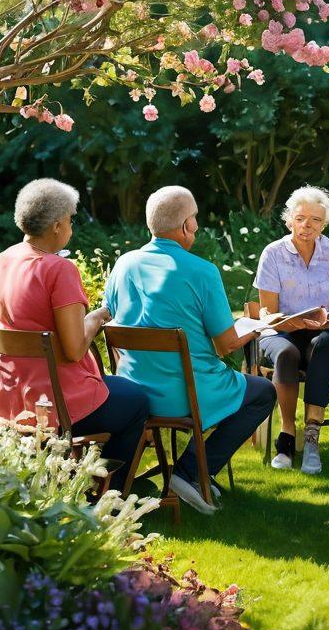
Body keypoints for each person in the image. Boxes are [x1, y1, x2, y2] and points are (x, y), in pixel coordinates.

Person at [105, 186, 277, 513]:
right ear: (186, 225)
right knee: (263, 392)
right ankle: (191, 470)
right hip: (187, 393)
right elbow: (225, 345)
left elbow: (114, 319)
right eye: (195, 218)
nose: (197, 226)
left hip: (133, 391)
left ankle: (192, 472)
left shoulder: (124, 264)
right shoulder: (203, 271)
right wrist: (254, 327)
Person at [0, 179, 146, 493]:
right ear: (57, 225)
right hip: (57, 401)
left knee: (123, 394)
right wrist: (98, 316)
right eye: (70, 220)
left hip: (8, 395)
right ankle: (109, 496)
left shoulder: (2, 260)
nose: (70, 226)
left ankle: (77, 482)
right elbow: (74, 349)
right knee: (137, 401)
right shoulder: (59, 270)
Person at [254, 186, 329, 475]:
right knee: (285, 353)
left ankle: (311, 438)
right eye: (301, 218)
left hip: (323, 332)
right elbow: (267, 314)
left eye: (315, 220)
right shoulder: (273, 254)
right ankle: (287, 435)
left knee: (326, 344)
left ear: (324, 224)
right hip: (282, 331)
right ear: (289, 221)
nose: (307, 225)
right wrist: (294, 322)